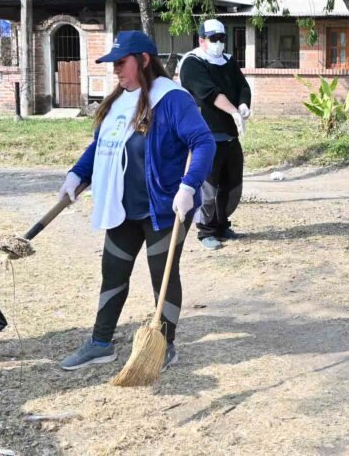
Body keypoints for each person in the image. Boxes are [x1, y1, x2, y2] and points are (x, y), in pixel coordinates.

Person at [58, 31, 216, 371]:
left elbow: (204, 142)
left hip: (166, 207)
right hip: (122, 206)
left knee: (163, 275)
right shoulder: (118, 102)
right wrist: (77, 174)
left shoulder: (172, 99)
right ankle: (100, 343)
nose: (115, 70)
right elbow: (101, 146)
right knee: (113, 271)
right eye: (113, 64)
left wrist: (189, 187)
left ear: (144, 60)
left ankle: (164, 344)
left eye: (121, 63)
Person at [178, 18, 252, 250]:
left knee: (232, 184)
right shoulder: (192, 63)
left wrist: (243, 104)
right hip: (205, 135)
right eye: (213, 39)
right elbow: (209, 93)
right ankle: (206, 230)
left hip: (230, 135)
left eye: (222, 38)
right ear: (202, 40)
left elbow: (242, 85)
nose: (218, 43)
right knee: (208, 187)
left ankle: (221, 225)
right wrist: (233, 111)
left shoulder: (228, 61)